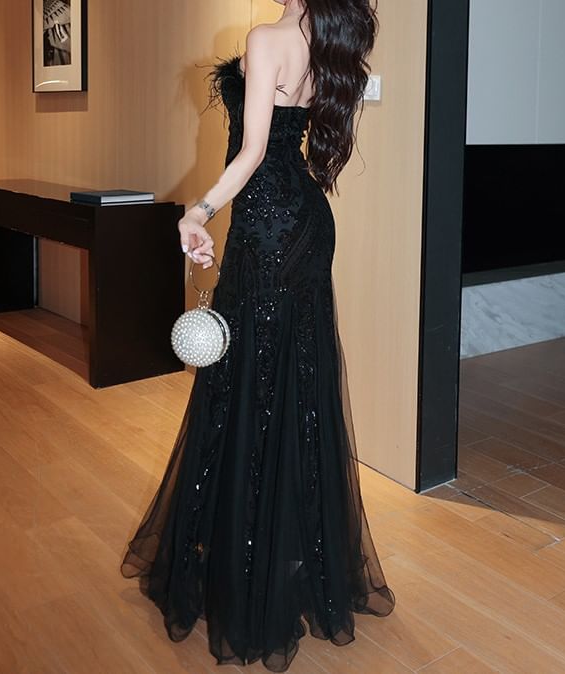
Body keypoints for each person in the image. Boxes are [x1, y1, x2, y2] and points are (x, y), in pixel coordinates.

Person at [120, 0, 395, 670]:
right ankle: (295, 559)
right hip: (306, 222)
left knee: (248, 385)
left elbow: (250, 153)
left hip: (267, 225)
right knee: (296, 384)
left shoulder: (268, 37)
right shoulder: (328, 41)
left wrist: (198, 211)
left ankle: (249, 572)